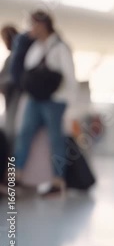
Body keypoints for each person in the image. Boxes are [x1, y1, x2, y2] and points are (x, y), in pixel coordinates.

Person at [15, 10, 77, 196]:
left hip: (54, 101)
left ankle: (58, 181)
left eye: (33, 24)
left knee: (55, 140)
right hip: (35, 99)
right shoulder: (34, 47)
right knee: (24, 135)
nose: (31, 28)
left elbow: (69, 77)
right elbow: (27, 69)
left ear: (42, 25)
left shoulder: (60, 47)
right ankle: (15, 178)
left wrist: (66, 101)